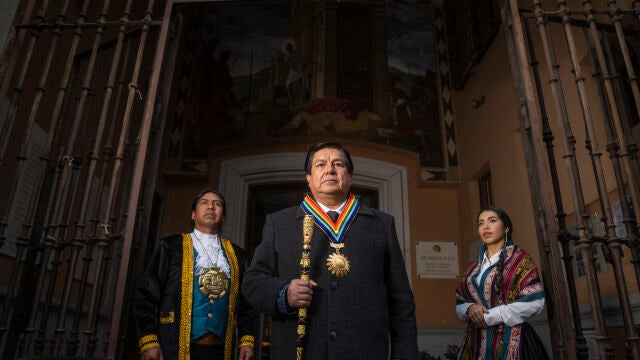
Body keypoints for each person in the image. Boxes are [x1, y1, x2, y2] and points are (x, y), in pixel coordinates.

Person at [242, 142, 419, 359]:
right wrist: (284, 294)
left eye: (338, 164)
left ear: (350, 176)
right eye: (320, 164)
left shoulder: (381, 225)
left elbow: (401, 302)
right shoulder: (279, 224)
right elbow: (252, 282)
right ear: (308, 178)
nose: (330, 169)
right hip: (301, 351)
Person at [134, 189, 256, 360]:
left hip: (220, 350)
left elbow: (247, 304)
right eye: (204, 202)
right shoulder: (170, 247)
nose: (211, 207)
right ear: (193, 214)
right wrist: (149, 340)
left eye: (217, 204)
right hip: (174, 346)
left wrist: (246, 340)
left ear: (224, 217)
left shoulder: (238, 256)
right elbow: (146, 296)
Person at [455, 206, 549, 359]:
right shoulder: (473, 267)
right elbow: (460, 302)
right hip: (475, 343)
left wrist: (489, 316)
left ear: (506, 228)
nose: (486, 226)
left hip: (511, 341)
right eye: (481, 223)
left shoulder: (520, 260)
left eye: (492, 221)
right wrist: (470, 308)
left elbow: (535, 301)